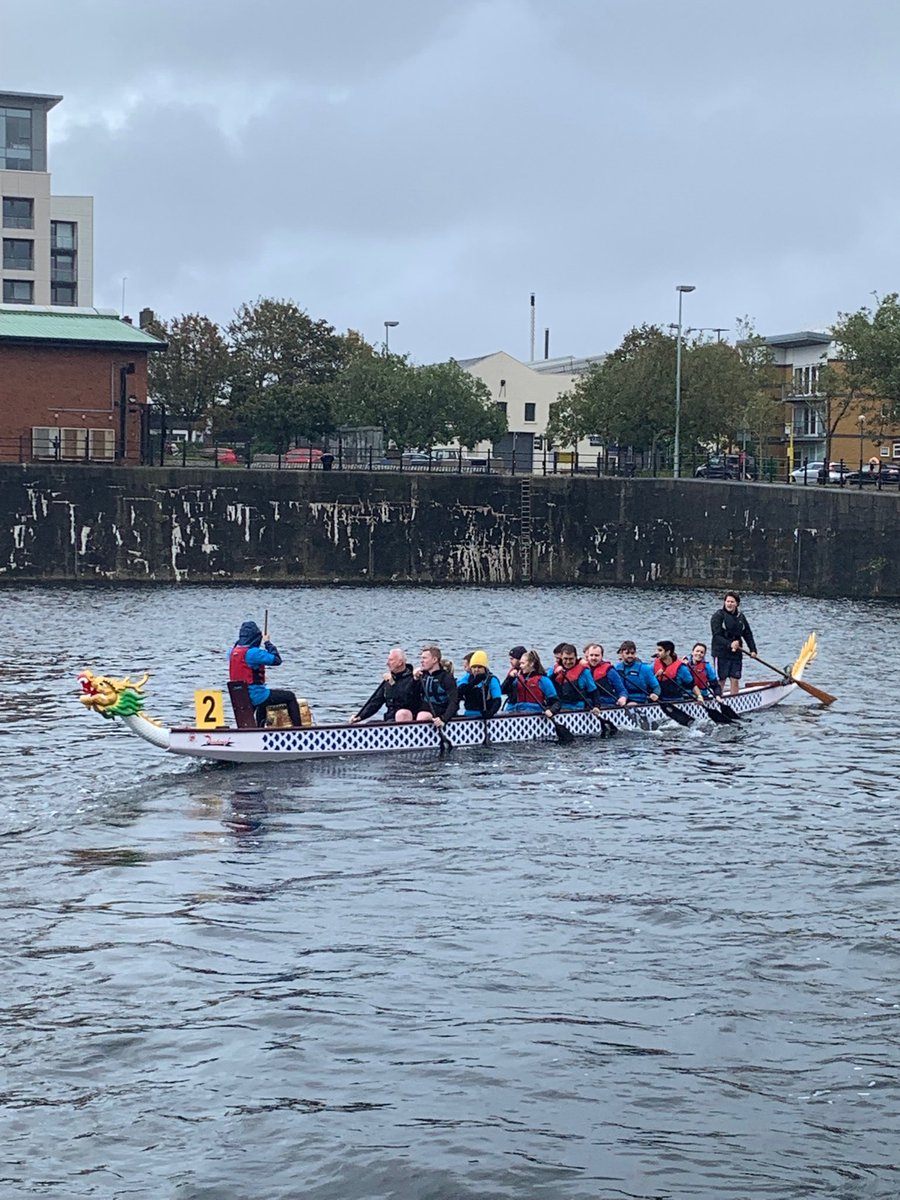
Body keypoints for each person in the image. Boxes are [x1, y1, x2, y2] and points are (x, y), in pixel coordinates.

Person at [228, 619, 301, 727]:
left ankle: (259, 729)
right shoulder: (254, 653)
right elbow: (277, 660)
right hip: (255, 696)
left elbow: (240, 648)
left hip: (240, 697)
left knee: (264, 703)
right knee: (290, 697)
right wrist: (267, 642)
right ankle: (298, 730)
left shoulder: (231, 652)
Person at [350, 648, 420, 723]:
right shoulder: (389, 680)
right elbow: (375, 702)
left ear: (400, 662)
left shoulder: (414, 679)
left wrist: (393, 685)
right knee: (369, 724)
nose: (387, 663)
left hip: (405, 718)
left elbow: (406, 700)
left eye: (391, 660)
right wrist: (360, 716)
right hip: (389, 718)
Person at [710, 591, 757, 696]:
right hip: (721, 652)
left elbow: (747, 634)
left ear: (737, 604)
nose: (729, 604)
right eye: (727, 601)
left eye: (732, 602)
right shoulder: (718, 616)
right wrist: (730, 644)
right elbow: (716, 636)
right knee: (721, 679)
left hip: (736, 652)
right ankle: (718, 699)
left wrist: (753, 650)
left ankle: (734, 700)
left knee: (735, 678)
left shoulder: (741, 617)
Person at [501, 649, 560, 714]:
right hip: (518, 712)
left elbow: (556, 702)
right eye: (520, 663)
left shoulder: (543, 680)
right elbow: (503, 691)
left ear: (531, 664)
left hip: (536, 714)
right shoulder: (517, 679)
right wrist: (510, 678)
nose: (520, 666)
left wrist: (551, 711)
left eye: (523, 663)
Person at [415, 645, 458, 726]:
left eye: (424, 658)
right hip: (423, 709)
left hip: (440, 713)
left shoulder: (446, 678)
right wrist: (414, 680)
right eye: (421, 658)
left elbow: (454, 702)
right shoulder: (422, 676)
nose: (421, 661)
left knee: (422, 715)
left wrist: (444, 719)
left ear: (434, 659)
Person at [550, 643, 600, 711]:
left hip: (577, 707)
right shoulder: (554, 670)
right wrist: (554, 674)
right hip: (559, 706)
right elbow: (547, 688)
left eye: (571, 659)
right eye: (565, 659)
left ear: (576, 657)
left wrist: (597, 706)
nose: (568, 662)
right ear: (561, 657)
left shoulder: (585, 672)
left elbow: (594, 692)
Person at [456, 650, 503, 718]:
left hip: (483, 716)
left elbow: (497, 701)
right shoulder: (467, 678)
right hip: (468, 714)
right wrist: (474, 682)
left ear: (484, 668)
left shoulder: (492, 680)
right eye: (474, 667)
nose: (476, 670)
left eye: (479, 667)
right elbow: (460, 691)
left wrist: (490, 713)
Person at [583, 643, 628, 707]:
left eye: (596, 655)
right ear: (588, 656)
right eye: (591, 655)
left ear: (602, 656)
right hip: (588, 704)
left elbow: (622, 690)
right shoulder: (582, 670)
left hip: (606, 704)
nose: (593, 658)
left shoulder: (610, 671)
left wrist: (623, 698)